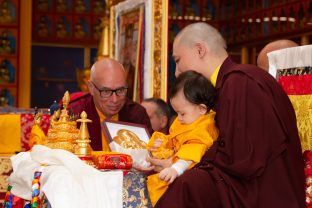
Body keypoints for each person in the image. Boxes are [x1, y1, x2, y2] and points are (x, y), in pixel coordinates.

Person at [150, 22, 305, 208]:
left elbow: (242, 158)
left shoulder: (241, 82)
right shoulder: (228, 85)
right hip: (252, 185)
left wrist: (182, 165)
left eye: (177, 60)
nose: (176, 72)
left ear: (200, 50)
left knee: (190, 185)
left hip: (266, 195)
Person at [146, 70, 219, 206]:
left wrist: (176, 169)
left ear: (202, 109)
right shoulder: (188, 119)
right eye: (177, 112)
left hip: (184, 173)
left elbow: (191, 152)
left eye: (182, 113)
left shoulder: (204, 128)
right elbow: (174, 138)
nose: (178, 118)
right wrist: (163, 144)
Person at [68, 58, 153, 151]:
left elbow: (149, 156)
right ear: (91, 88)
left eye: (120, 90)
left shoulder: (136, 114)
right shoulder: (74, 112)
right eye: (106, 91)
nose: (115, 100)